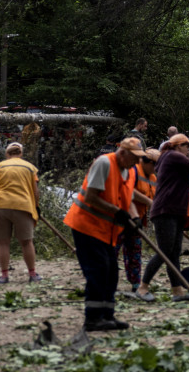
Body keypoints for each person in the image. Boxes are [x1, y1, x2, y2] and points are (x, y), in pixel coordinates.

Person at [63, 137, 153, 331]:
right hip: (86, 225)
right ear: (122, 152)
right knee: (98, 270)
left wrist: (134, 217)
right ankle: (93, 318)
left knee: (112, 272)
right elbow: (91, 197)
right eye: (134, 157)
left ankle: (107, 316)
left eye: (139, 158)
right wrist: (117, 212)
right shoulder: (104, 163)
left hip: (107, 230)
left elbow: (127, 198)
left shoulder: (128, 172)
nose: (137, 162)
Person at [138, 134, 189, 302]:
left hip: (175, 211)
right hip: (165, 211)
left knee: (174, 253)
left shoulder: (172, 161)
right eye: (187, 146)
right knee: (165, 252)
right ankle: (143, 287)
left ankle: (177, 291)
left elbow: (186, 192)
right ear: (178, 146)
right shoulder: (172, 156)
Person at [0, 143, 41, 284]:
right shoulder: (30, 167)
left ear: (7, 154)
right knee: (26, 242)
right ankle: (33, 274)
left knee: (3, 242)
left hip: (1, 206)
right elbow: (35, 190)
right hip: (23, 206)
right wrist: (36, 206)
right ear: (21, 153)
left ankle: (4, 276)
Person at [119, 148, 159, 300]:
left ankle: (136, 283)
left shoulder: (153, 178)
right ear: (146, 161)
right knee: (112, 252)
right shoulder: (133, 171)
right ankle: (105, 283)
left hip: (137, 221)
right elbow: (128, 192)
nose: (156, 168)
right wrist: (149, 201)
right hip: (122, 218)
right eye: (154, 164)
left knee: (135, 252)